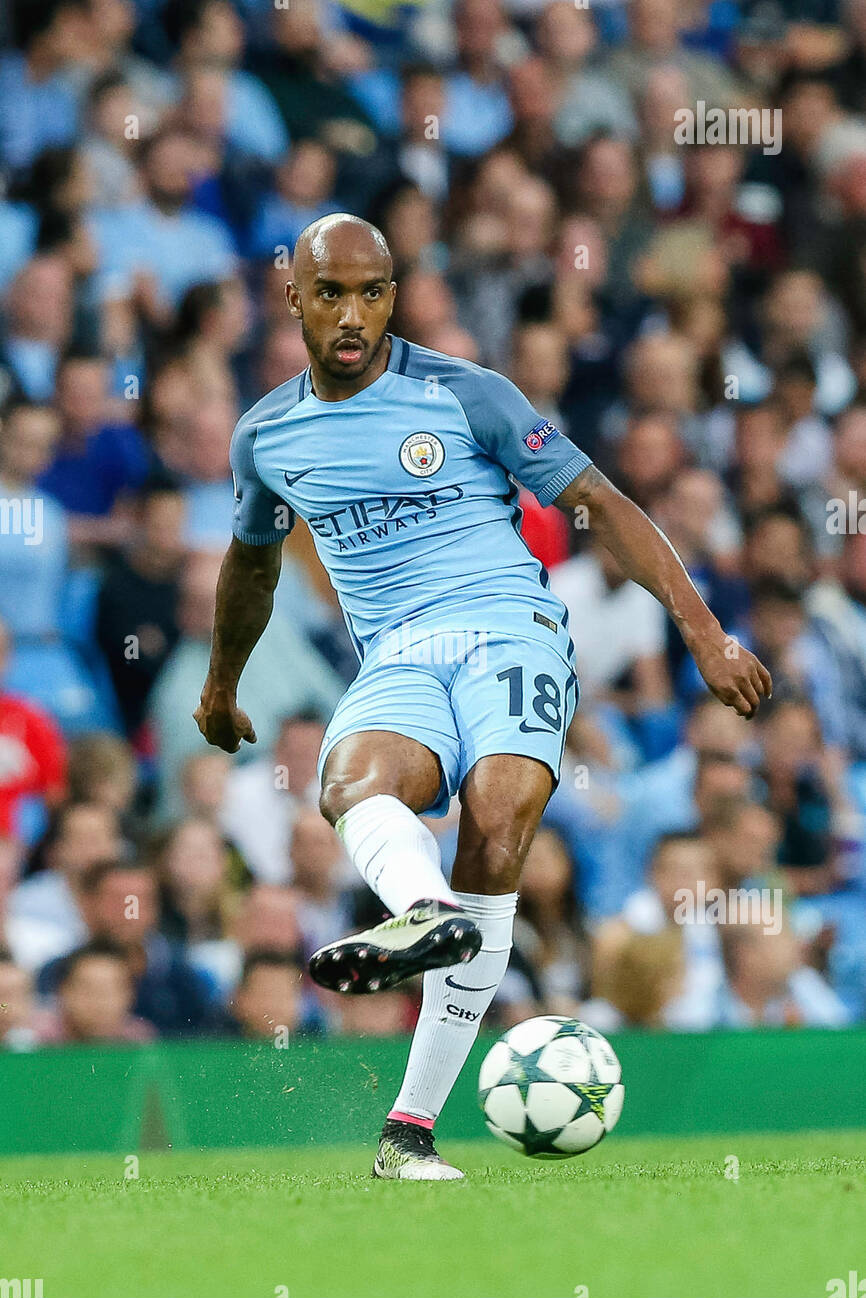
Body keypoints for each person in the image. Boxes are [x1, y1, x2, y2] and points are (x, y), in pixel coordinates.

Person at [194, 213, 772, 1181]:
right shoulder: (266, 436)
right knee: (349, 780)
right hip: (396, 654)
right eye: (328, 291)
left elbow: (601, 506)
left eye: (370, 292)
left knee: (494, 822)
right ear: (290, 295)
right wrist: (220, 685)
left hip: (509, 626)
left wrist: (702, 630)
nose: (350, 314)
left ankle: (408, 1123)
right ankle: (424, 918)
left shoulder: (467, 395)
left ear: (393, 294)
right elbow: (250, 568)